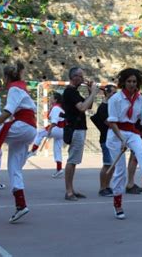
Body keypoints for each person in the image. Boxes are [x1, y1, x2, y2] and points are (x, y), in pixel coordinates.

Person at [0, 62, 38, 223]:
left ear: (6, 77)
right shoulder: (21, 88)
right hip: (27, 130)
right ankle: (21, 205)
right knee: (14, 168)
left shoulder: (14, 88)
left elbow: (7, 112)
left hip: (23, 127)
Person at [106, 68, 142, 220]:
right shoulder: (115, 99)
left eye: (134, 82)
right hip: (115, 134)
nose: (131, 84)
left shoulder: (139, 100)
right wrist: (121, 139)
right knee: (120, 172)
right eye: (129, 81)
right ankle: (117, 205)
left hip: (132, 132)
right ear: (123, 82)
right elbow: (112, 122)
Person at [62, 67, 99, 201]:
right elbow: (82, 107)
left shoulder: (74, 92)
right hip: (75, 129)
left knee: (74, 160)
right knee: (72, 160)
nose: (83, 79)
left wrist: (90, 92)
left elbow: (87, 106)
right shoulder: (70, 92)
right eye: (80, 76)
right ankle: (69, 191)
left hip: (79, 128)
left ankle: (71, 189)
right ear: (74, 77)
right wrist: (94, 92)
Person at [29, 92, 65, 178]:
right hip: (63, 131)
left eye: (52, 98)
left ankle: (34, 150)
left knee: (40, 133)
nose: (50, 99)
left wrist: (49, 129)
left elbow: (54, 121)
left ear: (56, 99)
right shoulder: (59, 108)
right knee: (57, 149)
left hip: (57, 128)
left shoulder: (56, 108)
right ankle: (59, 169)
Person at [90, 84, 117, 197]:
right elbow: (109, 123)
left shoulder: (111, 106)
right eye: (113, 93)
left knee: (112, 165)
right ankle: (102, 188)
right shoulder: (103, 107)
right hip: (106, 139)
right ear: (107, 93)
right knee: (107, 164)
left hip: (112, 139)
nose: (115, 95)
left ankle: (107, 186)